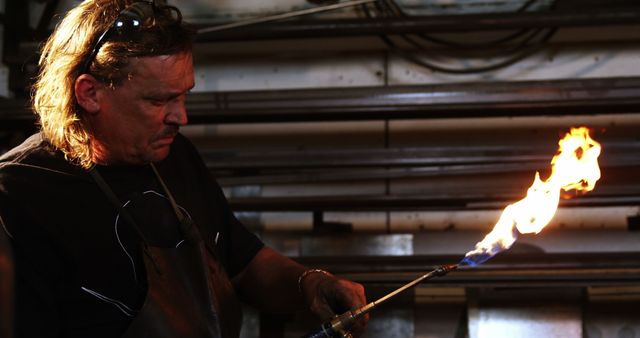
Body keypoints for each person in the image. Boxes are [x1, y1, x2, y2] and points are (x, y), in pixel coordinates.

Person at [0, 0, 368, 337]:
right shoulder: (18, 195)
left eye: (183, 95)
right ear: (89, 93)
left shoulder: (172, 156)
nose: (181, 117)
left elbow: (243, 262)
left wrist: (310, 283)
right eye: (159, 100)